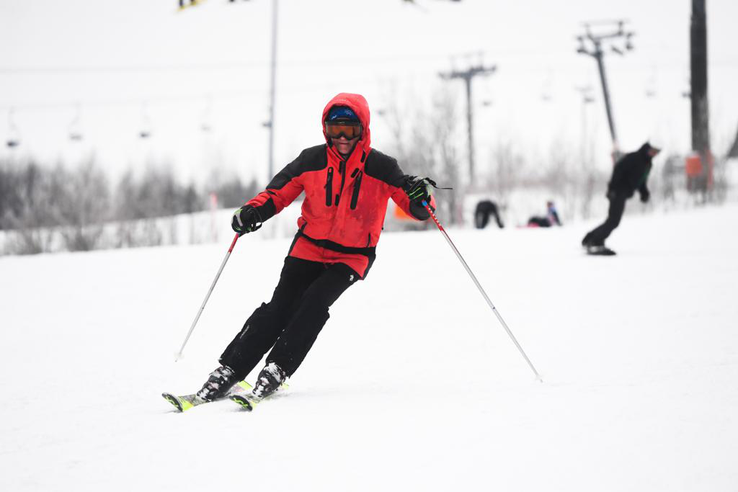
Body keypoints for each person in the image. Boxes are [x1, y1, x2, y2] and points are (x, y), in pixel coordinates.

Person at [195, 93, 437, 402]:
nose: (342, 138)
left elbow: (415, 207)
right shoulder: (311, 160)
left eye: (349, 130)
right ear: (325, 131)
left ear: (362, 129)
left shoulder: (381, 167)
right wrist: (253, 212)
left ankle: (277, 368)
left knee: (314, 302)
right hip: (308, 248)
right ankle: (229, 370)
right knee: (278, 309)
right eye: (334, 130)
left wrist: (420, 197)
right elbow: (278, 192)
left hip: (352, 256)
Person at [581, 142, 661, 255]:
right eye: (652, 150)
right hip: (618, 191)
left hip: (624, 193)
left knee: (613, 220)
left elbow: (641, 181)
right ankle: (593, 241)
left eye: (656, 152)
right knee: (614, 220)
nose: (654, 153)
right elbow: (618, 169)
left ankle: (591, 239)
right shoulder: (634, 157)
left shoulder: (647, 164)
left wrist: (644, 193)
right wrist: (612, 189)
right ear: (647, 148)